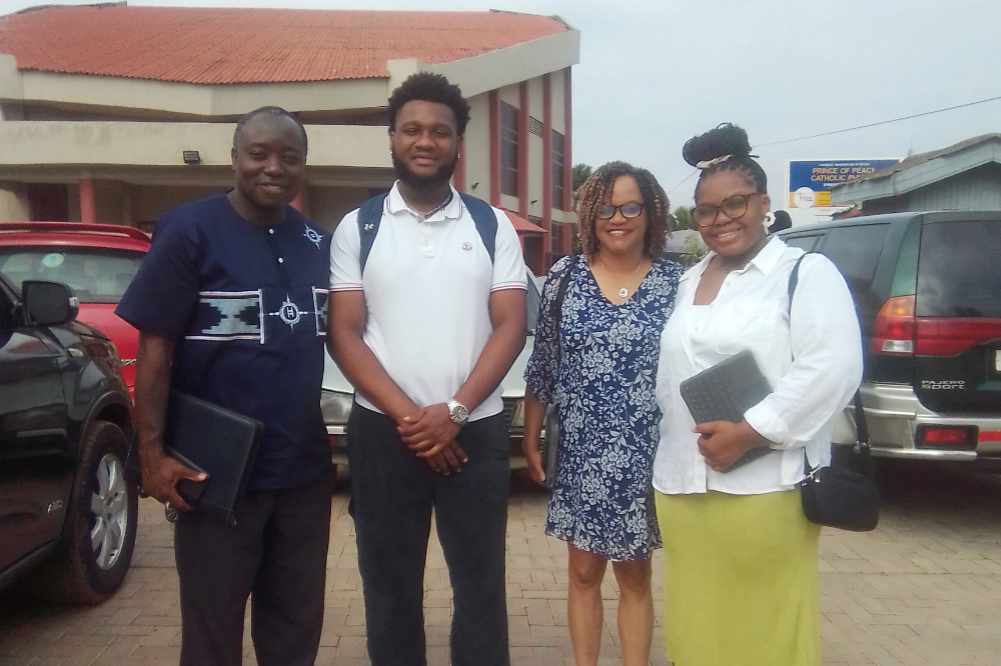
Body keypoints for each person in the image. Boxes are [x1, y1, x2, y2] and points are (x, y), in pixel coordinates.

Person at [116, 107, 333, 666]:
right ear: (235, 157)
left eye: (289, 157)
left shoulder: (319, 243)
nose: (273, 168)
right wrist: (152, 455)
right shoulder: (189, 231)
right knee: (213, 632)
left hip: (302, 472)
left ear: (303, 166)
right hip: (214, 475)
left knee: (295, 627)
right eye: (259, 153)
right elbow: (156, 349)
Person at [328, 72, 526, 666]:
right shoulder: (357, 227)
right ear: (391, 138)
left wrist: (456, 412)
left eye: (440, 131)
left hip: (476, 431)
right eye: (412, 129)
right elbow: (344, 333)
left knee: (481, 587)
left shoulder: (492, 226)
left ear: (458, 143)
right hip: (385, 435)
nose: (425, 141)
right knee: (389, 589)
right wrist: (416, 421)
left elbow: (511, 325)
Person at [652, 123, 863, 666]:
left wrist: (750, 434)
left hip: (767, 490)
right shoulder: (686, 279)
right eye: (706, 211)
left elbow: (833, 368)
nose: (720, 220)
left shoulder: (804, 273)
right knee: (696, 627)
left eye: (735, 204)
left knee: (766, 632)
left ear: (763, 203)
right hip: (682, 488)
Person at [523, 162, 682, 666]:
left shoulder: (676, 284)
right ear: (590, 215)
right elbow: (544, 362)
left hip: (647, 456)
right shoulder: (565, 280)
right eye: (607, 208)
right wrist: (530, 436)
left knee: (635, 575)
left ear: (650, 211)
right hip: (582, 454)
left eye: (630, 206)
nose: (618, 218)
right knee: (584, 573)